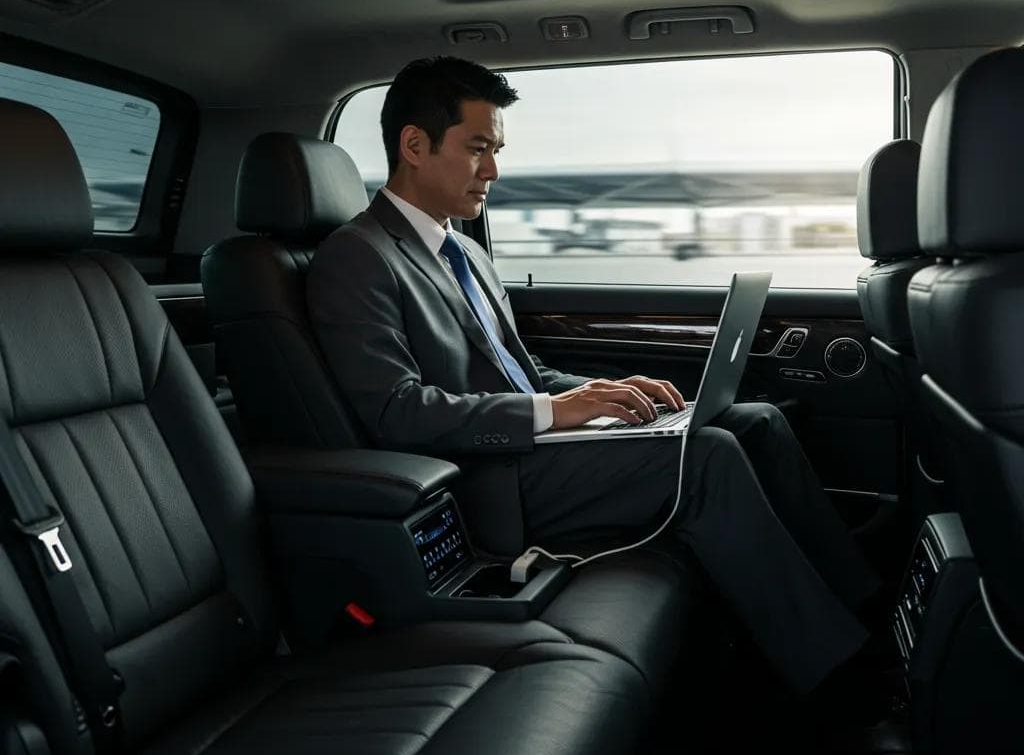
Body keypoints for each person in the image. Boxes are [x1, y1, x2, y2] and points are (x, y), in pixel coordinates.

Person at [308, 56, 883, 694]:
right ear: (414, 145)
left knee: (754, 421)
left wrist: (604, 395)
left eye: (496, 149)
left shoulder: (462, 249)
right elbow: (397, 411)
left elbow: (518, 373)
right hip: (480, 481)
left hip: (534, 454)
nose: (493, 171)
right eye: (477, 149)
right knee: (707, 456)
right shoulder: (357, 257)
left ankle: (865, 610)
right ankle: (841, 680)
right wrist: (560, 412)